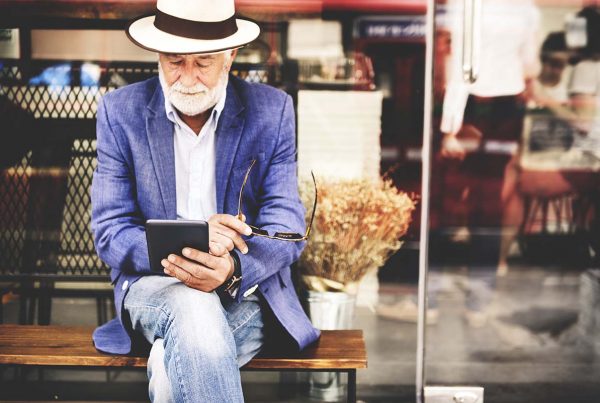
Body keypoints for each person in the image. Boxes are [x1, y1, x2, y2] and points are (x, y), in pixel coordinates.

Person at [90, 0, 320, 401]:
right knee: (192, 305)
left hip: (242, 292)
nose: (188, 77)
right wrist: (192, 251)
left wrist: (231, 267)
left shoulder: (272, 109)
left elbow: (288, 224)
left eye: (204, 62)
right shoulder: (119, 111)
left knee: (168, 366)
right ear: (157, 54)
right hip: (153, 285)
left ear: (230, 56)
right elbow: (110, 231)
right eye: (175, 61)